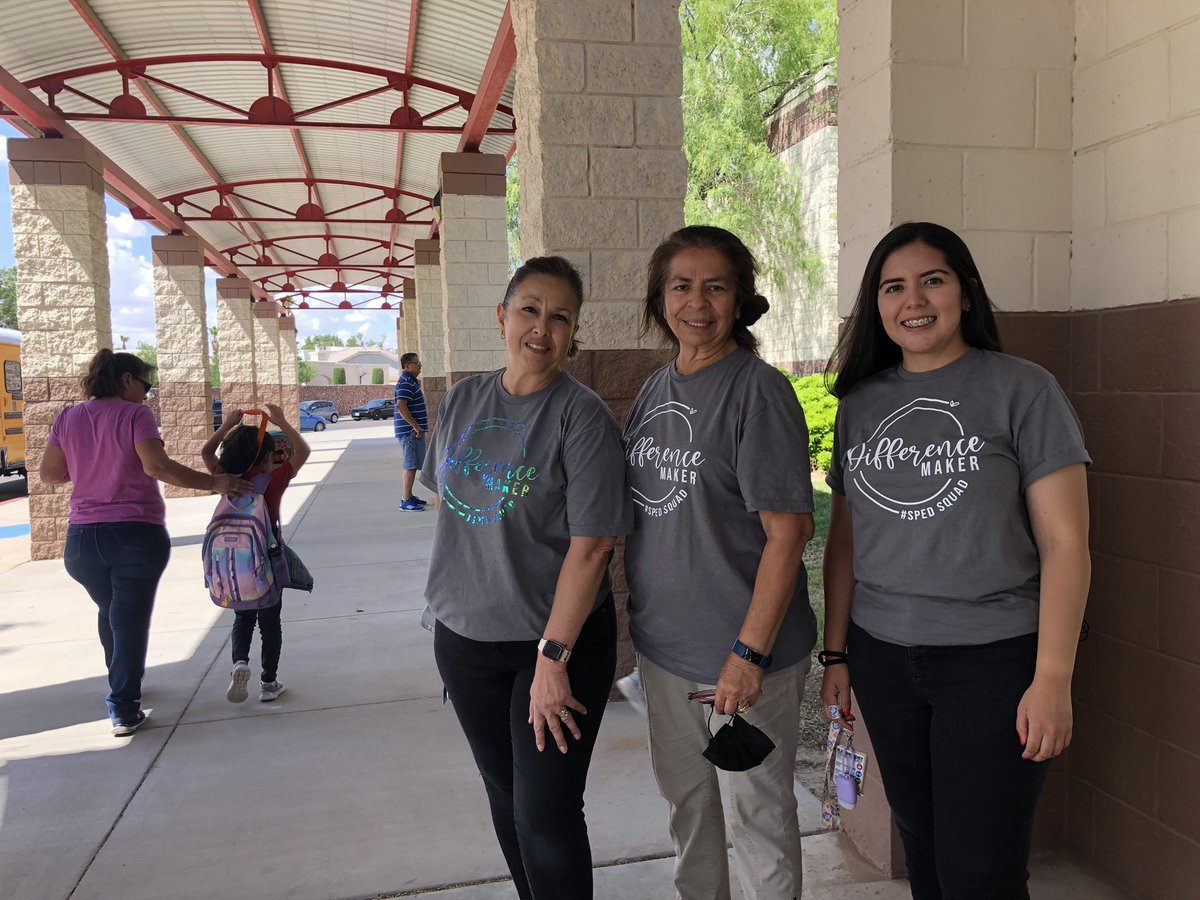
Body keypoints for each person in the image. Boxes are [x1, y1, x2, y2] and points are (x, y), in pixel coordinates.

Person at [819, 222, 1091, 900]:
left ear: (965, 292)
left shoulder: (1023, 389)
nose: (913, 299)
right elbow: (846, 541)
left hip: (994, 662)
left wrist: (1052, 677)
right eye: (893, 286)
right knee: (927, 851)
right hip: (884, 658)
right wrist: (836, 656)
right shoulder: (860, 404)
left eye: (931, 280)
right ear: (877, 306)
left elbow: (1066, 545)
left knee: (984, 871)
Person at [420, 256, 633, 900]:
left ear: (574, 334)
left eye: (560, 317)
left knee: (546, 813)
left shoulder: (581, 416)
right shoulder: (462, 399)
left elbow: (593, 547)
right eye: (530, 310)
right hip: (464, 640)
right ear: (502, 317)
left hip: (553, 647)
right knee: (505, 795)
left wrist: (553, 657)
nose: (542, 327)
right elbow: (447, 505)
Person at [623, 225, 817, 900]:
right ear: (660, 298)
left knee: (757, 819)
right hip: (665, 653)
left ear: (740, 300)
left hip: (741, 663)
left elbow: (789, 534)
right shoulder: (655, 391)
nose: (697, 303)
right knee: (690, 813)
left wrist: (748, 652)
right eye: (681, 286)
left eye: (716, 286)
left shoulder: (757, 392)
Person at [39, 349, 250, 736]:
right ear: (126, 380)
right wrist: (215, 482)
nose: (147, 394)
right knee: (129, 619)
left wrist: (92, 463)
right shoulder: (135, 415)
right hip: (134, 532)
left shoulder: (68, 417)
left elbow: (51, 474)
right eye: (145, 384)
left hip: (82, 539)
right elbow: (156, 466)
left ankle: (121, 678)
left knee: (112, 612)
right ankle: (123, 707)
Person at [202, 404, 310, 704]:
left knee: (242, 618)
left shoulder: (225, 478)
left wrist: (227, 425)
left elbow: (207, 453)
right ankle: (268, 682)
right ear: (266, 458)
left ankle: (240, 662)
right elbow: (303, 452)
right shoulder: (271, 481)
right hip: (268, 561)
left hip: (236, 569)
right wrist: (282, 422)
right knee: (270, 623)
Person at [394, 352, 428, 510]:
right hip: (410, 432)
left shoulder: (410, 381)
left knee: (413, 464)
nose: (419, 365)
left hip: (412, 431)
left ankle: (410, 496)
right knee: (410, 465)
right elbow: (401, 405)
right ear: (407, 366)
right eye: (416, 363)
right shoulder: (407, 382)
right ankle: (406, 500)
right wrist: (415, 426)